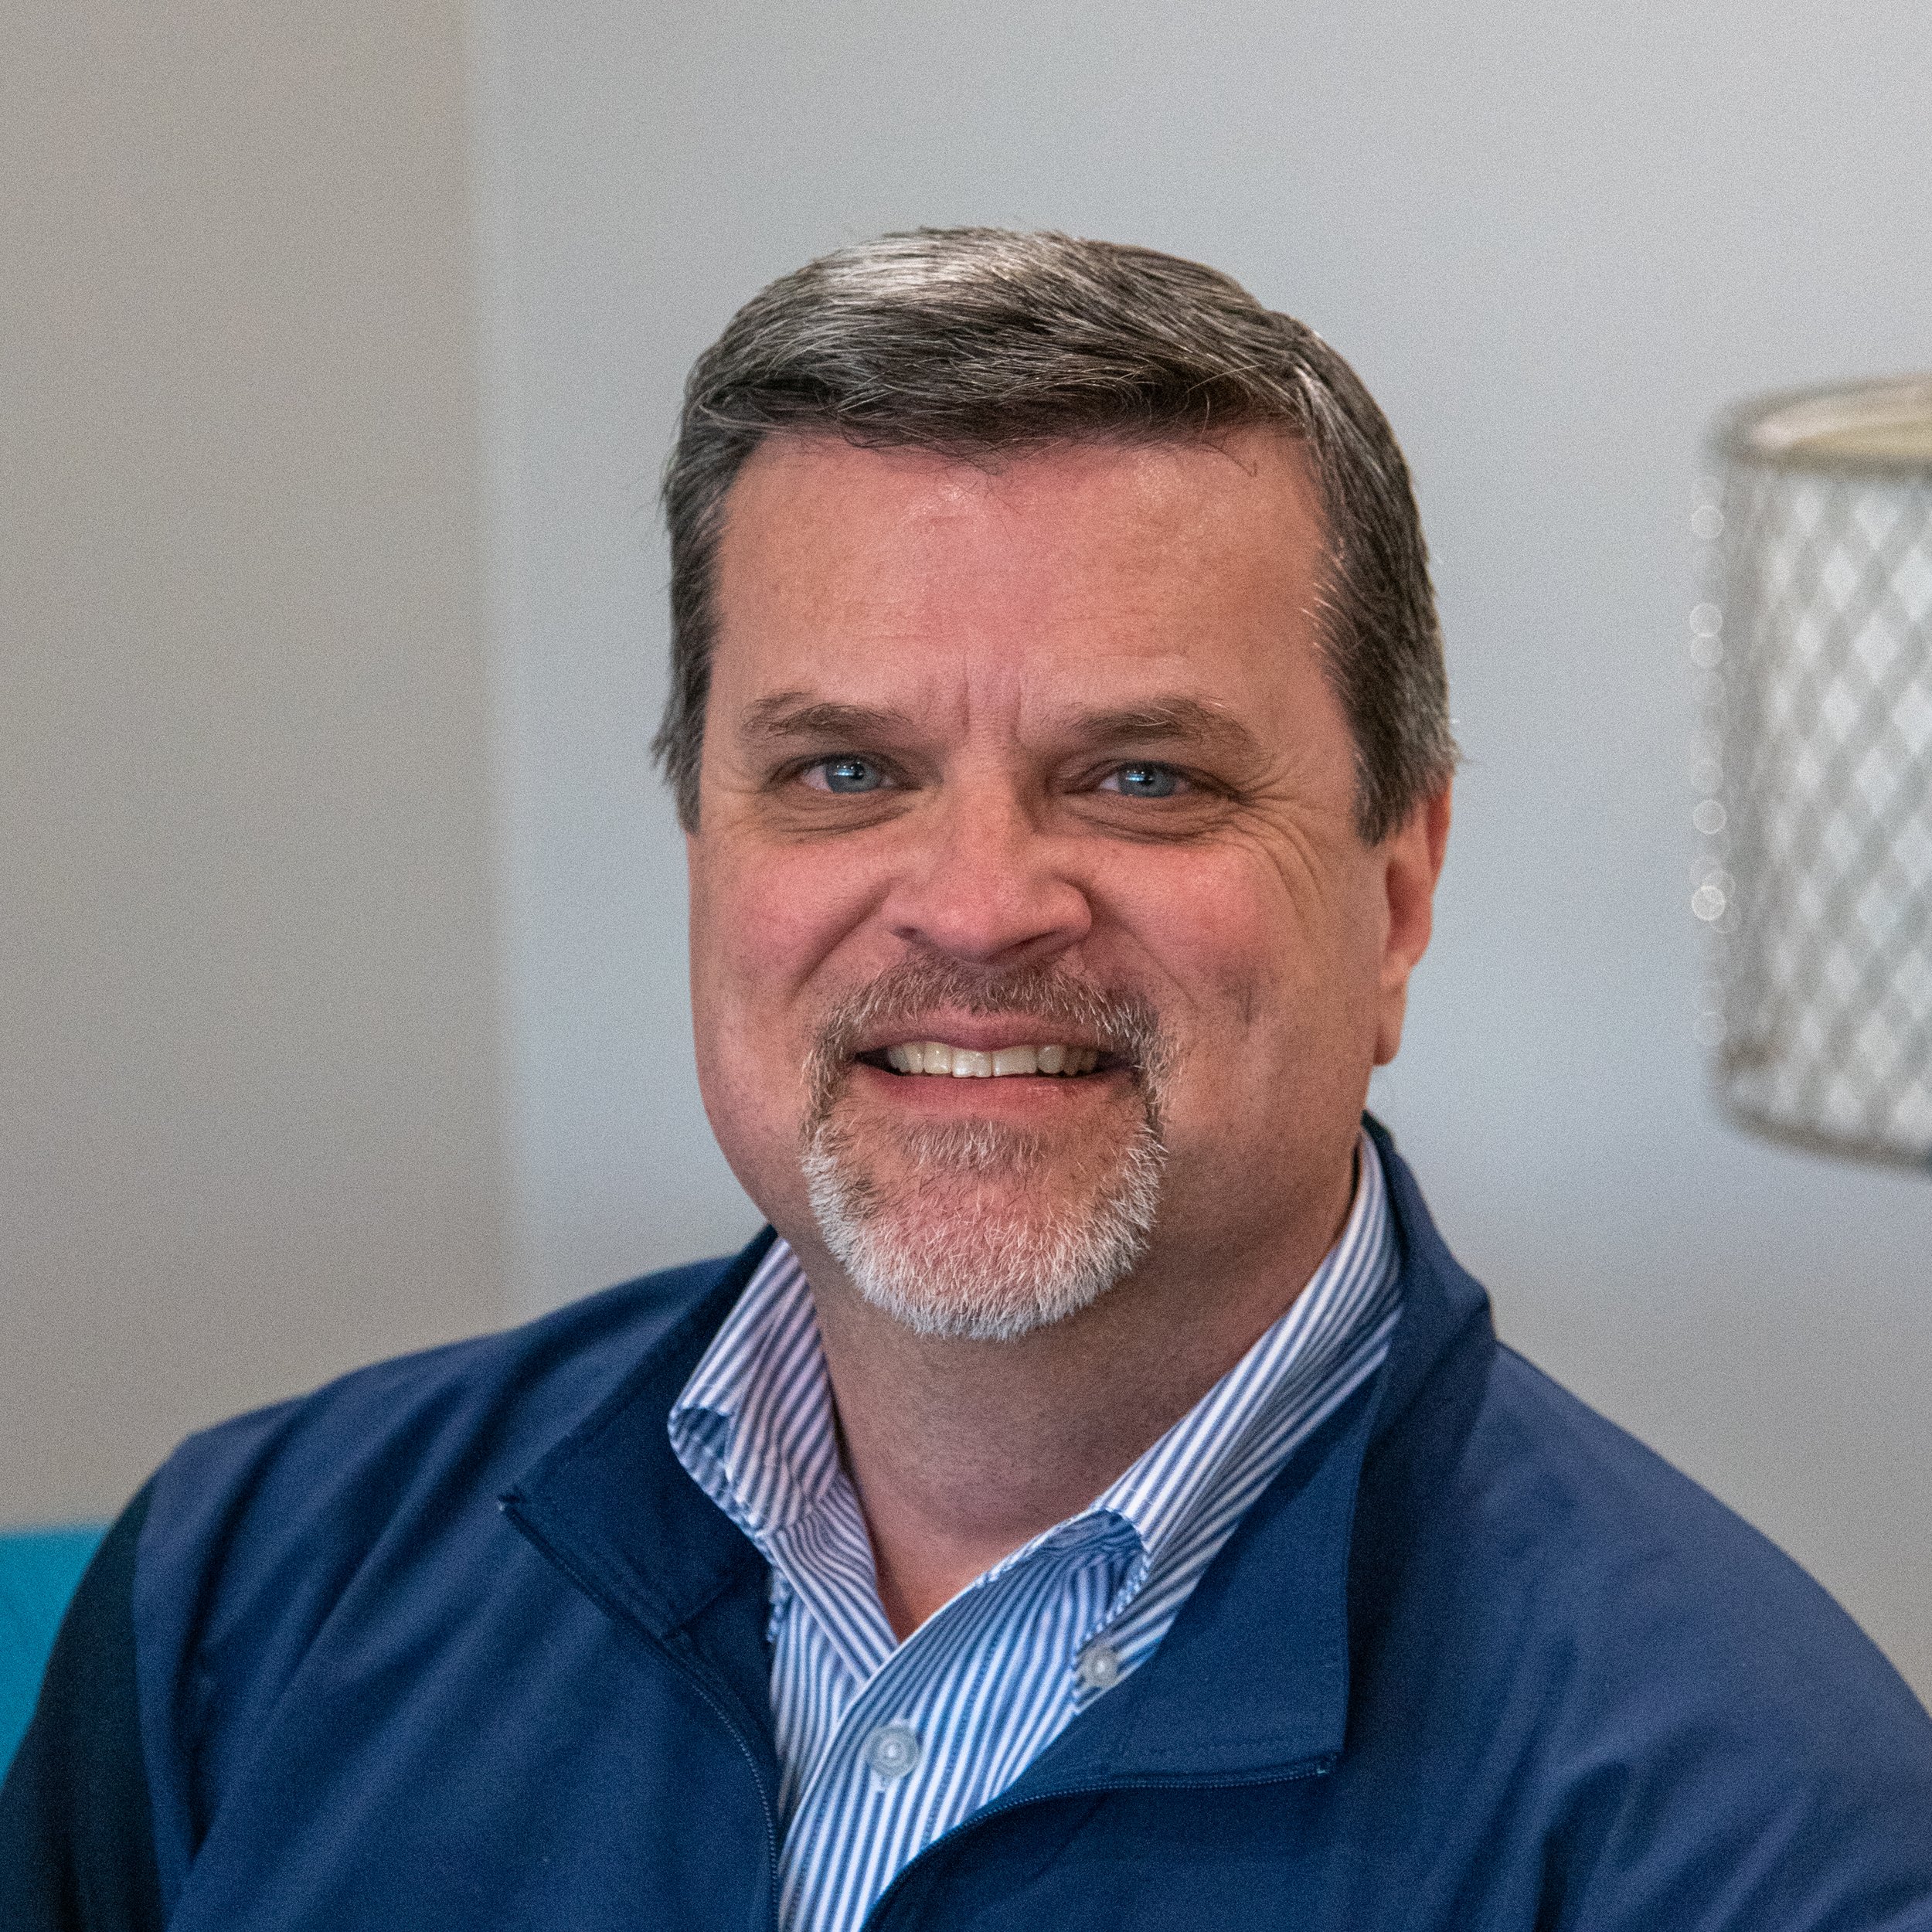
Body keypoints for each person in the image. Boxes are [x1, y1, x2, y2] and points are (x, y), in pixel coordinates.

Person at [5, 228, 1930, 1932]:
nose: (978, 906)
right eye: (843, 770)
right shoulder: (245, 1590)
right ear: (707, 844)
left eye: (1142, 774)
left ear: (1396, 892)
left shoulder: (1752, 1833)